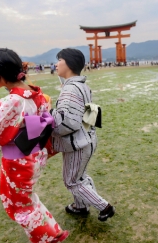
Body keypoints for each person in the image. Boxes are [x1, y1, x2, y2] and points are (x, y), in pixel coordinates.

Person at [0, 48, 68, 243]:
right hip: (33, 154)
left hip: (19, 160)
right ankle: (49, 231)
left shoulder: (13, 101)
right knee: (28, 199)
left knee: (21, 206)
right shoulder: (35, 93)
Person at [51, 48, 115, 222]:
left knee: (72, 181)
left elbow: (66, 124)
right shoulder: (82, 85)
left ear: (69, 63)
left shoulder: (70, 89)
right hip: (87, 138)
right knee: (80, 176)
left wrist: (49, 114)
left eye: (60, 60)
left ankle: (105, 207)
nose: (56, 64)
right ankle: (80, 206)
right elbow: (90, 114)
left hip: (77, 143)